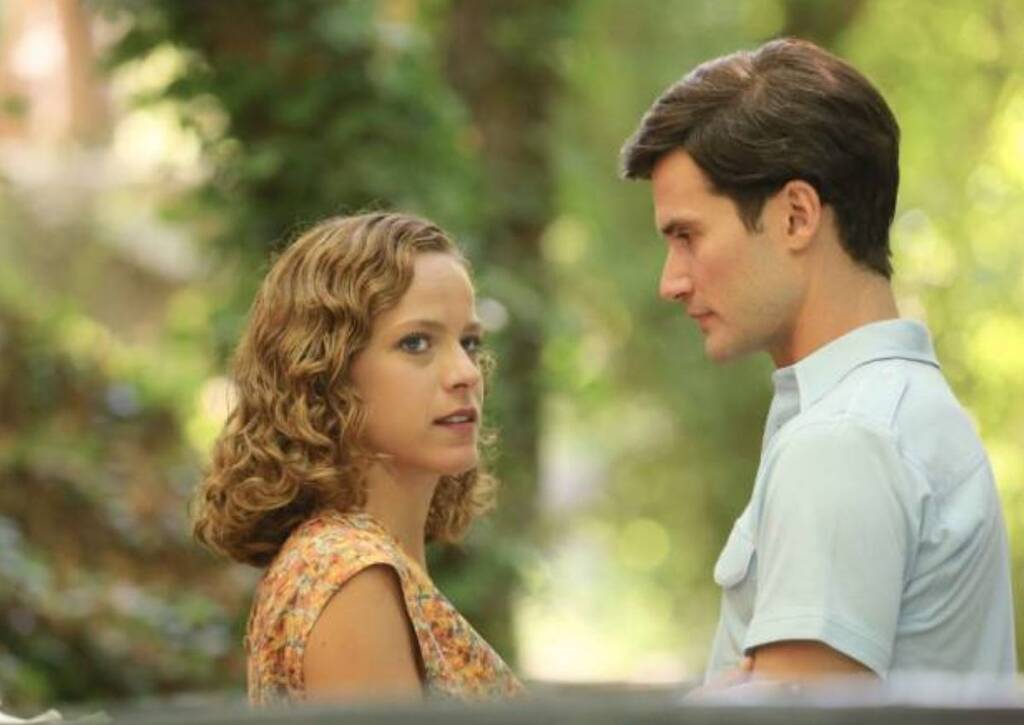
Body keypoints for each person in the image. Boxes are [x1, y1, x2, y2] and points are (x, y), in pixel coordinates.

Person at [620, 38, 1016, 684]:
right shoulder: (897, 412)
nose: (672, 282)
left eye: (688, 235)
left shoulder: (841, 442)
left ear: (797, 216)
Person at [192, 212, 523, 704]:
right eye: (416, 342)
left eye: (469, 342)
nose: (466, 373)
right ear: (326, 372)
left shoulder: (359, 563)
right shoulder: (350, 576)